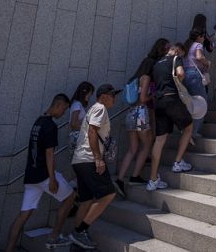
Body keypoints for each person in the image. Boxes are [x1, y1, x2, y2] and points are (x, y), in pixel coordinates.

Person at [5, 94, 75, 252]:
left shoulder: (37, 122)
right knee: (70, 197)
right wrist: (52, 179)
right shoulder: (50, 126)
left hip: (31, 176)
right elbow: (50, 154)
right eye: (64, 109)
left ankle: (8, 250)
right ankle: (54, 237)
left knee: (23, 216)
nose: (63, 113)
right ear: (58, 104)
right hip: (44, 175)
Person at [70, 85, 120, 249]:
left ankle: (76, 240)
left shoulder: (94, 109)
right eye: (113, 95)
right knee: (108, 194)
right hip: (90, 160)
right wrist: (98, 159)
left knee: (85, 201)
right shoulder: (100, 108)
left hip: (80, 160)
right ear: (104, 96)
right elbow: (92, 132)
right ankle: (80, 231)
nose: (115, 98)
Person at [149, 43, 194, 189]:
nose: (180, 55)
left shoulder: (156, 64)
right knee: (188, 126)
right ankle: (178, 162)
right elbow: (180, 73)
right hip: (172, 99)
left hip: (159, 102)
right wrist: (178, 82)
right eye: (180, 52)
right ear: (175, 50)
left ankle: (153, 179)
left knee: (160, 139)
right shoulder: (176, 59)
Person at [116, 57, 155, 194]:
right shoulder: (146, 78)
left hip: (130, 113)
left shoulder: (134, 78)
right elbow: (143, 98)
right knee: (147, 145)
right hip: (141, 113)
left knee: (132, 149)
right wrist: (154, 95)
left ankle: (120, 178)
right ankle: (135, 175)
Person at [183, 27, 211, 141]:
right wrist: (207, 62)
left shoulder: (187, 46)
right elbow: (199, 57)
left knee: (189, 104)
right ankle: (193, 132)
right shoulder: (198, 45)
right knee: (201, 103)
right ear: (199, 37)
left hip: (185, 75)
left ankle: (185, 130)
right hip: (195, 75)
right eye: (203, 36)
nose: (204, 38)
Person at [69, 82, 95, 150]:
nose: (89, 96)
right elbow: (73, 124)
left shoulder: (78, 104)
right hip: (78, 137)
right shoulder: (77, 105)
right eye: (90, 93)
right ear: (85, 93)